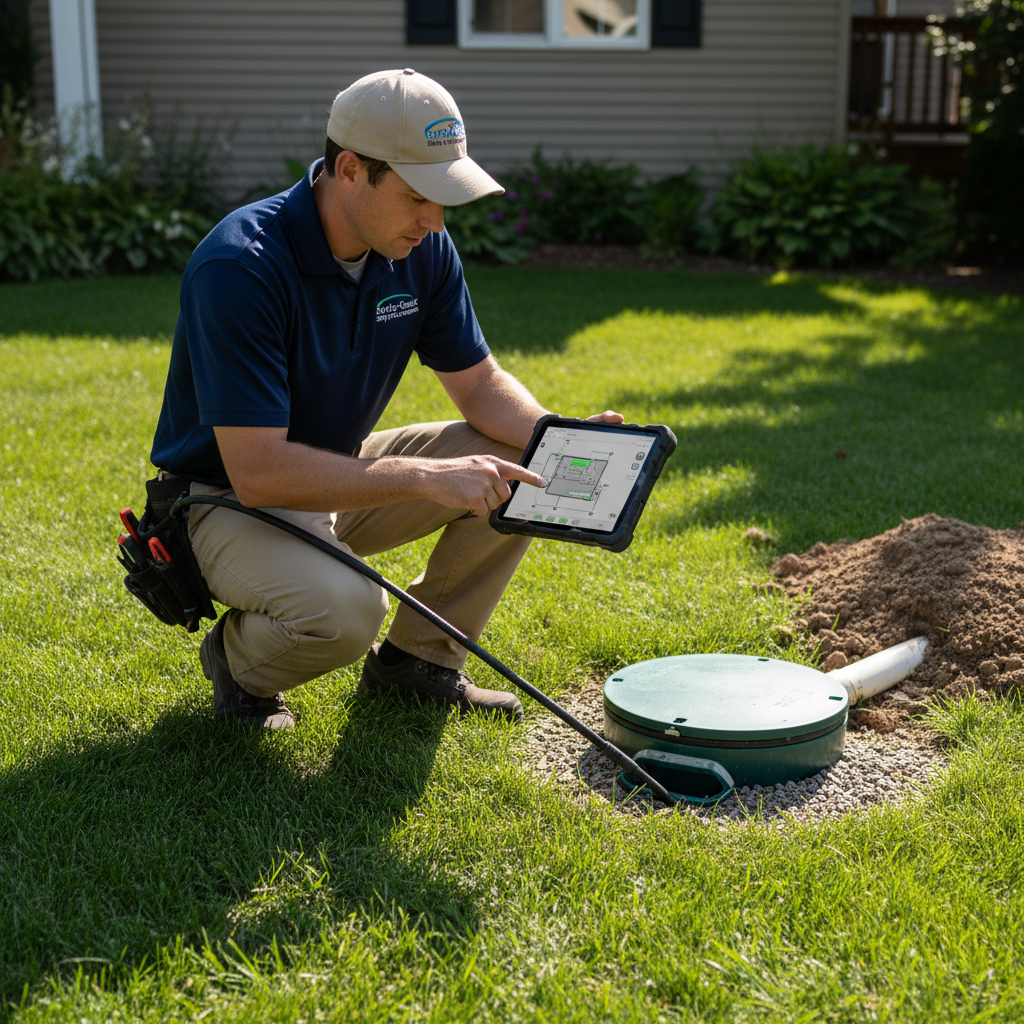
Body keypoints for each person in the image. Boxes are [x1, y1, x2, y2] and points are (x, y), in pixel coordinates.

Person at [149, 68, 622, 729]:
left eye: (444, 198)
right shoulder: (241, 266)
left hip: (332, 469)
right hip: (220, 499)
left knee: (520, 458)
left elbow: (481, 385)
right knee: (348, 609)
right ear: (349, 170)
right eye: (416, 196)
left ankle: (417, 665)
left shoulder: (420, 249)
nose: (434, 220)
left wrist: (562, 436)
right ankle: (239, 666)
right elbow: (257, 472)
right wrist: (427, 478)